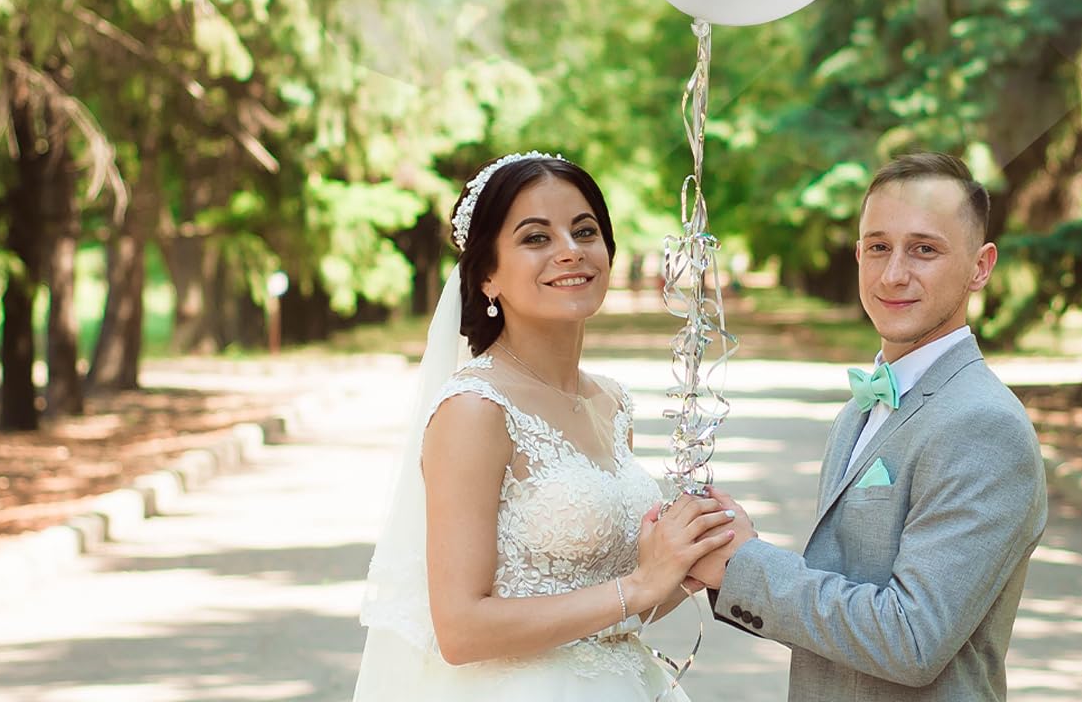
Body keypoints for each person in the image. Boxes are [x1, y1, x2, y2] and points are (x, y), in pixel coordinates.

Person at [354, 150, 736, 702]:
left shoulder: (612, 402)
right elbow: (460, 630)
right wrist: (638, 586)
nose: (570, 252)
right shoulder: (475, 409)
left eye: (585, 231)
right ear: (487, 275)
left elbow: (608, 605)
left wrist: (687, 560)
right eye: (536, 238)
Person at [689, 151, 1047, 701]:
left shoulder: (983, 424)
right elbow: (845, 592)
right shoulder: (862, 406)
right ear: (858, 255)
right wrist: (732, 543)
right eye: (879, 247)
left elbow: (911, 638)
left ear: (980, 266)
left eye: (924, 250)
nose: (894, 273)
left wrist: (744, 566)